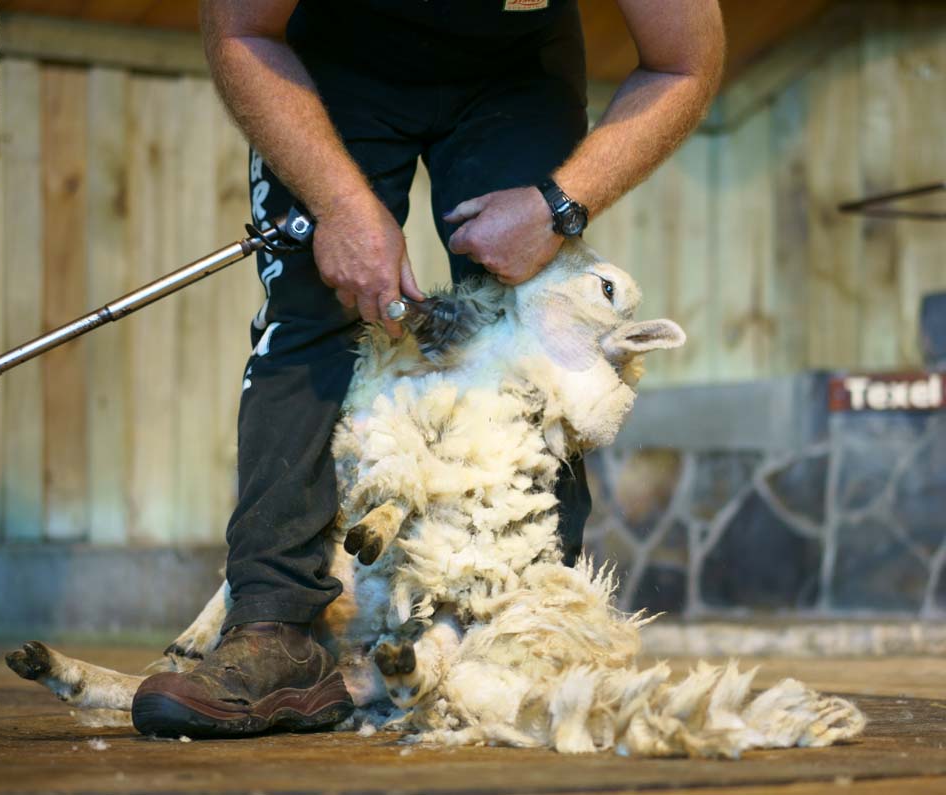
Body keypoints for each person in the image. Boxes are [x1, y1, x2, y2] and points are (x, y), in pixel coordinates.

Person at [131, 0, 725, 738]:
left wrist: (558, 204)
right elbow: (239, 29)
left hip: (515, 72)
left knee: (527, 309)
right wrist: (341, 205)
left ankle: (525, 631)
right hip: (340, 61)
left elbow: (686, 60)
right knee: (312, 309)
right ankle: (275, 627)